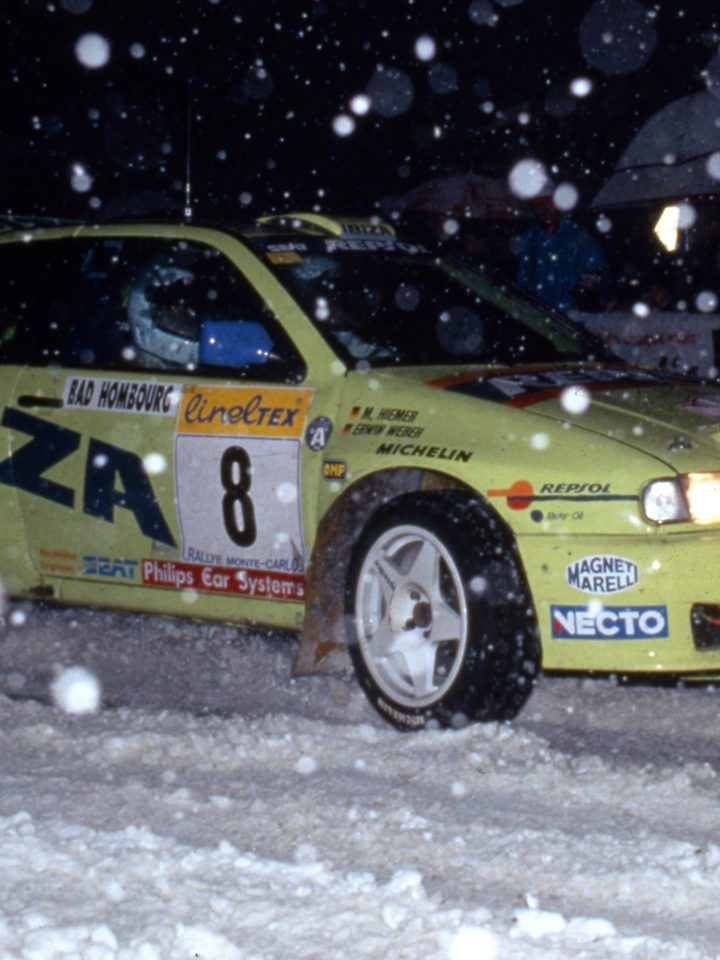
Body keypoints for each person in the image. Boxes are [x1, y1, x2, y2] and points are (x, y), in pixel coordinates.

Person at [514, 210, 613, 312]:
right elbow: (522, 276)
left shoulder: (577, 235)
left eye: (547, 204)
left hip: (567, 313)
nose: (543, 210)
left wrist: (581, 291)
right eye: (538, 206)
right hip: (534, 310)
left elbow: (597, 272)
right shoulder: (531, 237)